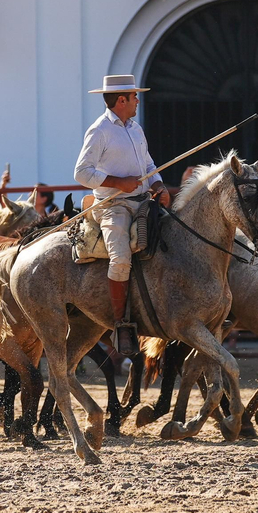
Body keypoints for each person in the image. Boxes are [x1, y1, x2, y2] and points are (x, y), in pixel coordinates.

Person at [74, 73, 170, 361]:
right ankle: (121, 325)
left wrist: (157, 184)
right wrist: (117, 182)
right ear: (121, 100)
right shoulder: (99, 130)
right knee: (121, 259)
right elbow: (81, 172)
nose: (138, 100)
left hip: (143, 201)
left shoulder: (136, 129)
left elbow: (149, 163)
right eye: (134, 96)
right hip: (112, 206)